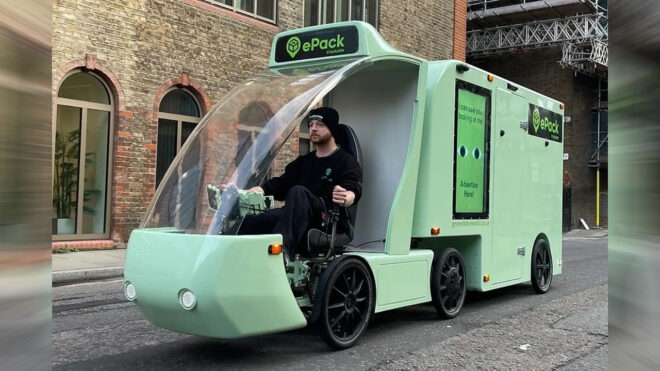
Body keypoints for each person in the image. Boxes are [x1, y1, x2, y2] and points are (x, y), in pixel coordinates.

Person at [237, 107, 362, 258]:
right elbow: (283, 183)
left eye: (320, 124)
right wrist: (261, 189)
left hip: (326, 217)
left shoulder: (346, 161)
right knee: (253, 219)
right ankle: (238, 256)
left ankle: (281, 255)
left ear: (332, 128)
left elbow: (352, 187)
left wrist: (347, 196)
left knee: (298, 192)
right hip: (296, 213)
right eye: (310, 125)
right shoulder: (304, 162)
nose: (314, 128)